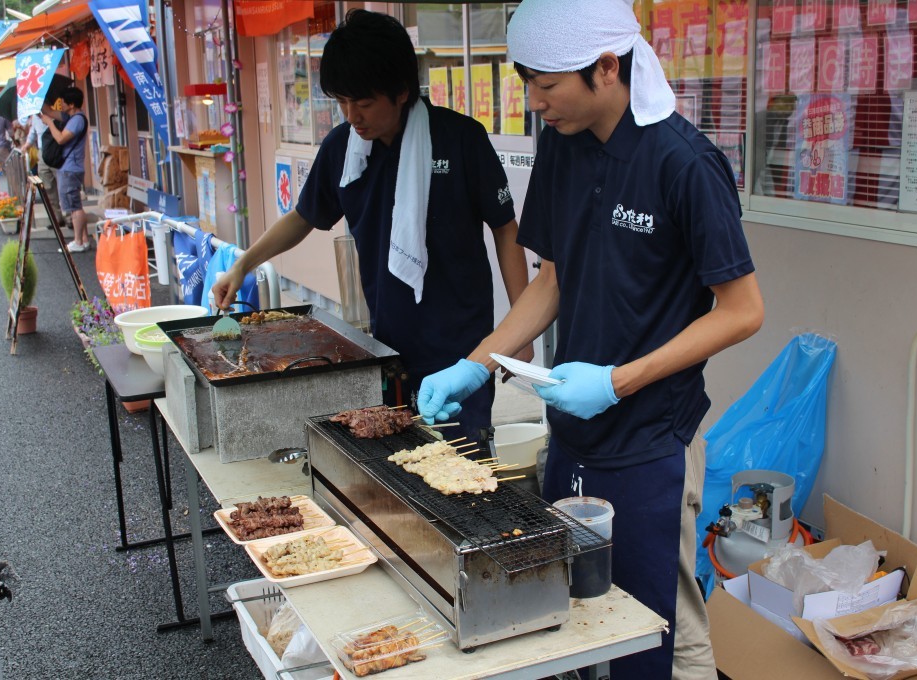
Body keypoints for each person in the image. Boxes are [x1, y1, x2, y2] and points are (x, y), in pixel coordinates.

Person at [417, 1, 764, 678]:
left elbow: (743, 310)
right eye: (526, 81)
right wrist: (476, 364)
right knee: (580, 606)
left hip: (652, 435)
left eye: (546, 83)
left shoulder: (683, 163)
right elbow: (552, 280)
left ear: (607, 68)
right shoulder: (564, 144)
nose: (533, 100)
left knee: (663, 617)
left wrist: (617, 380)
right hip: (576, 429)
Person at [213, 9, 531, 442]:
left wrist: (521, 328)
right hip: (386, 349)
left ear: (401, 91)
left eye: (363, 103)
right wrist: (243, 264)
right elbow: (304, 216)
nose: (351, 116)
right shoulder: (343, 148)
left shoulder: (461, 140)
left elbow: (506, 230)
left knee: (463, 475)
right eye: (342, 102)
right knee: (398, 475)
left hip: (462, 352)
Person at [41, 86, 89, 251]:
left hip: (71, 168)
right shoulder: (70, 116)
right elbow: (47, 111)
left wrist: (49, 124)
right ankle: (83, 239)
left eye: (62, 102)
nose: (59, 104)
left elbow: (61, 139)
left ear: (71, 104)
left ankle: (78, 242)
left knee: (74, 206)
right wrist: (37, 95)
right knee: (75, 204)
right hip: (69, 167)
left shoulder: (77, 120)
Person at [22, 112, 67, 229]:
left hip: (56, 150)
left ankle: (70, 217)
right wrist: (26, 145)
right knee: (47, 187)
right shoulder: (35, 118)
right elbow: (33, 133)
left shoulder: (54, 114)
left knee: (64, 186)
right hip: (42, 153)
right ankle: (56, 218)